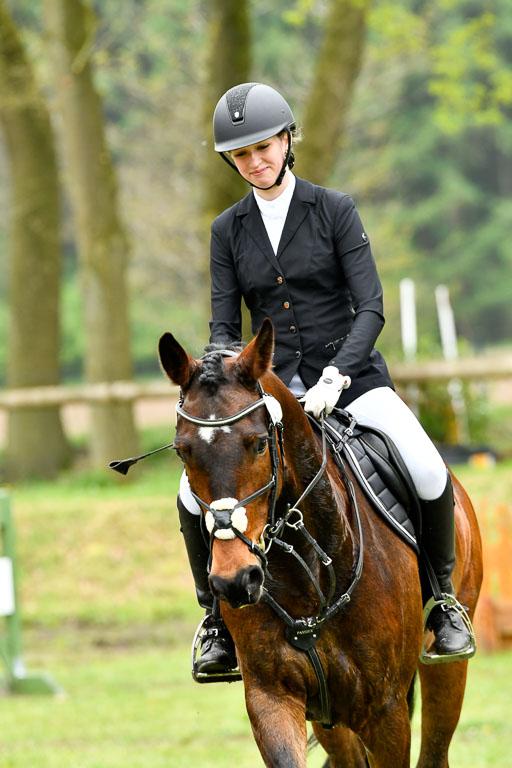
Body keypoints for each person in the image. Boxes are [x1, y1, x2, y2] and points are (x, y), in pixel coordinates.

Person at [178, 82, 472, 674]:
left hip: (354, 380)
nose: (256, 161)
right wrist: (226, 382)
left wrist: (339, 375)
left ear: (288, 141)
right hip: (272, 395)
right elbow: (220, 325)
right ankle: (216, 620)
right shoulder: (226, 230)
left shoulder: (334, 208)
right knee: (190, 493)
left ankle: (442, 603)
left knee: (424, 465)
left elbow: (371, 305)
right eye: (242, 154)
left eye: (264, 147)